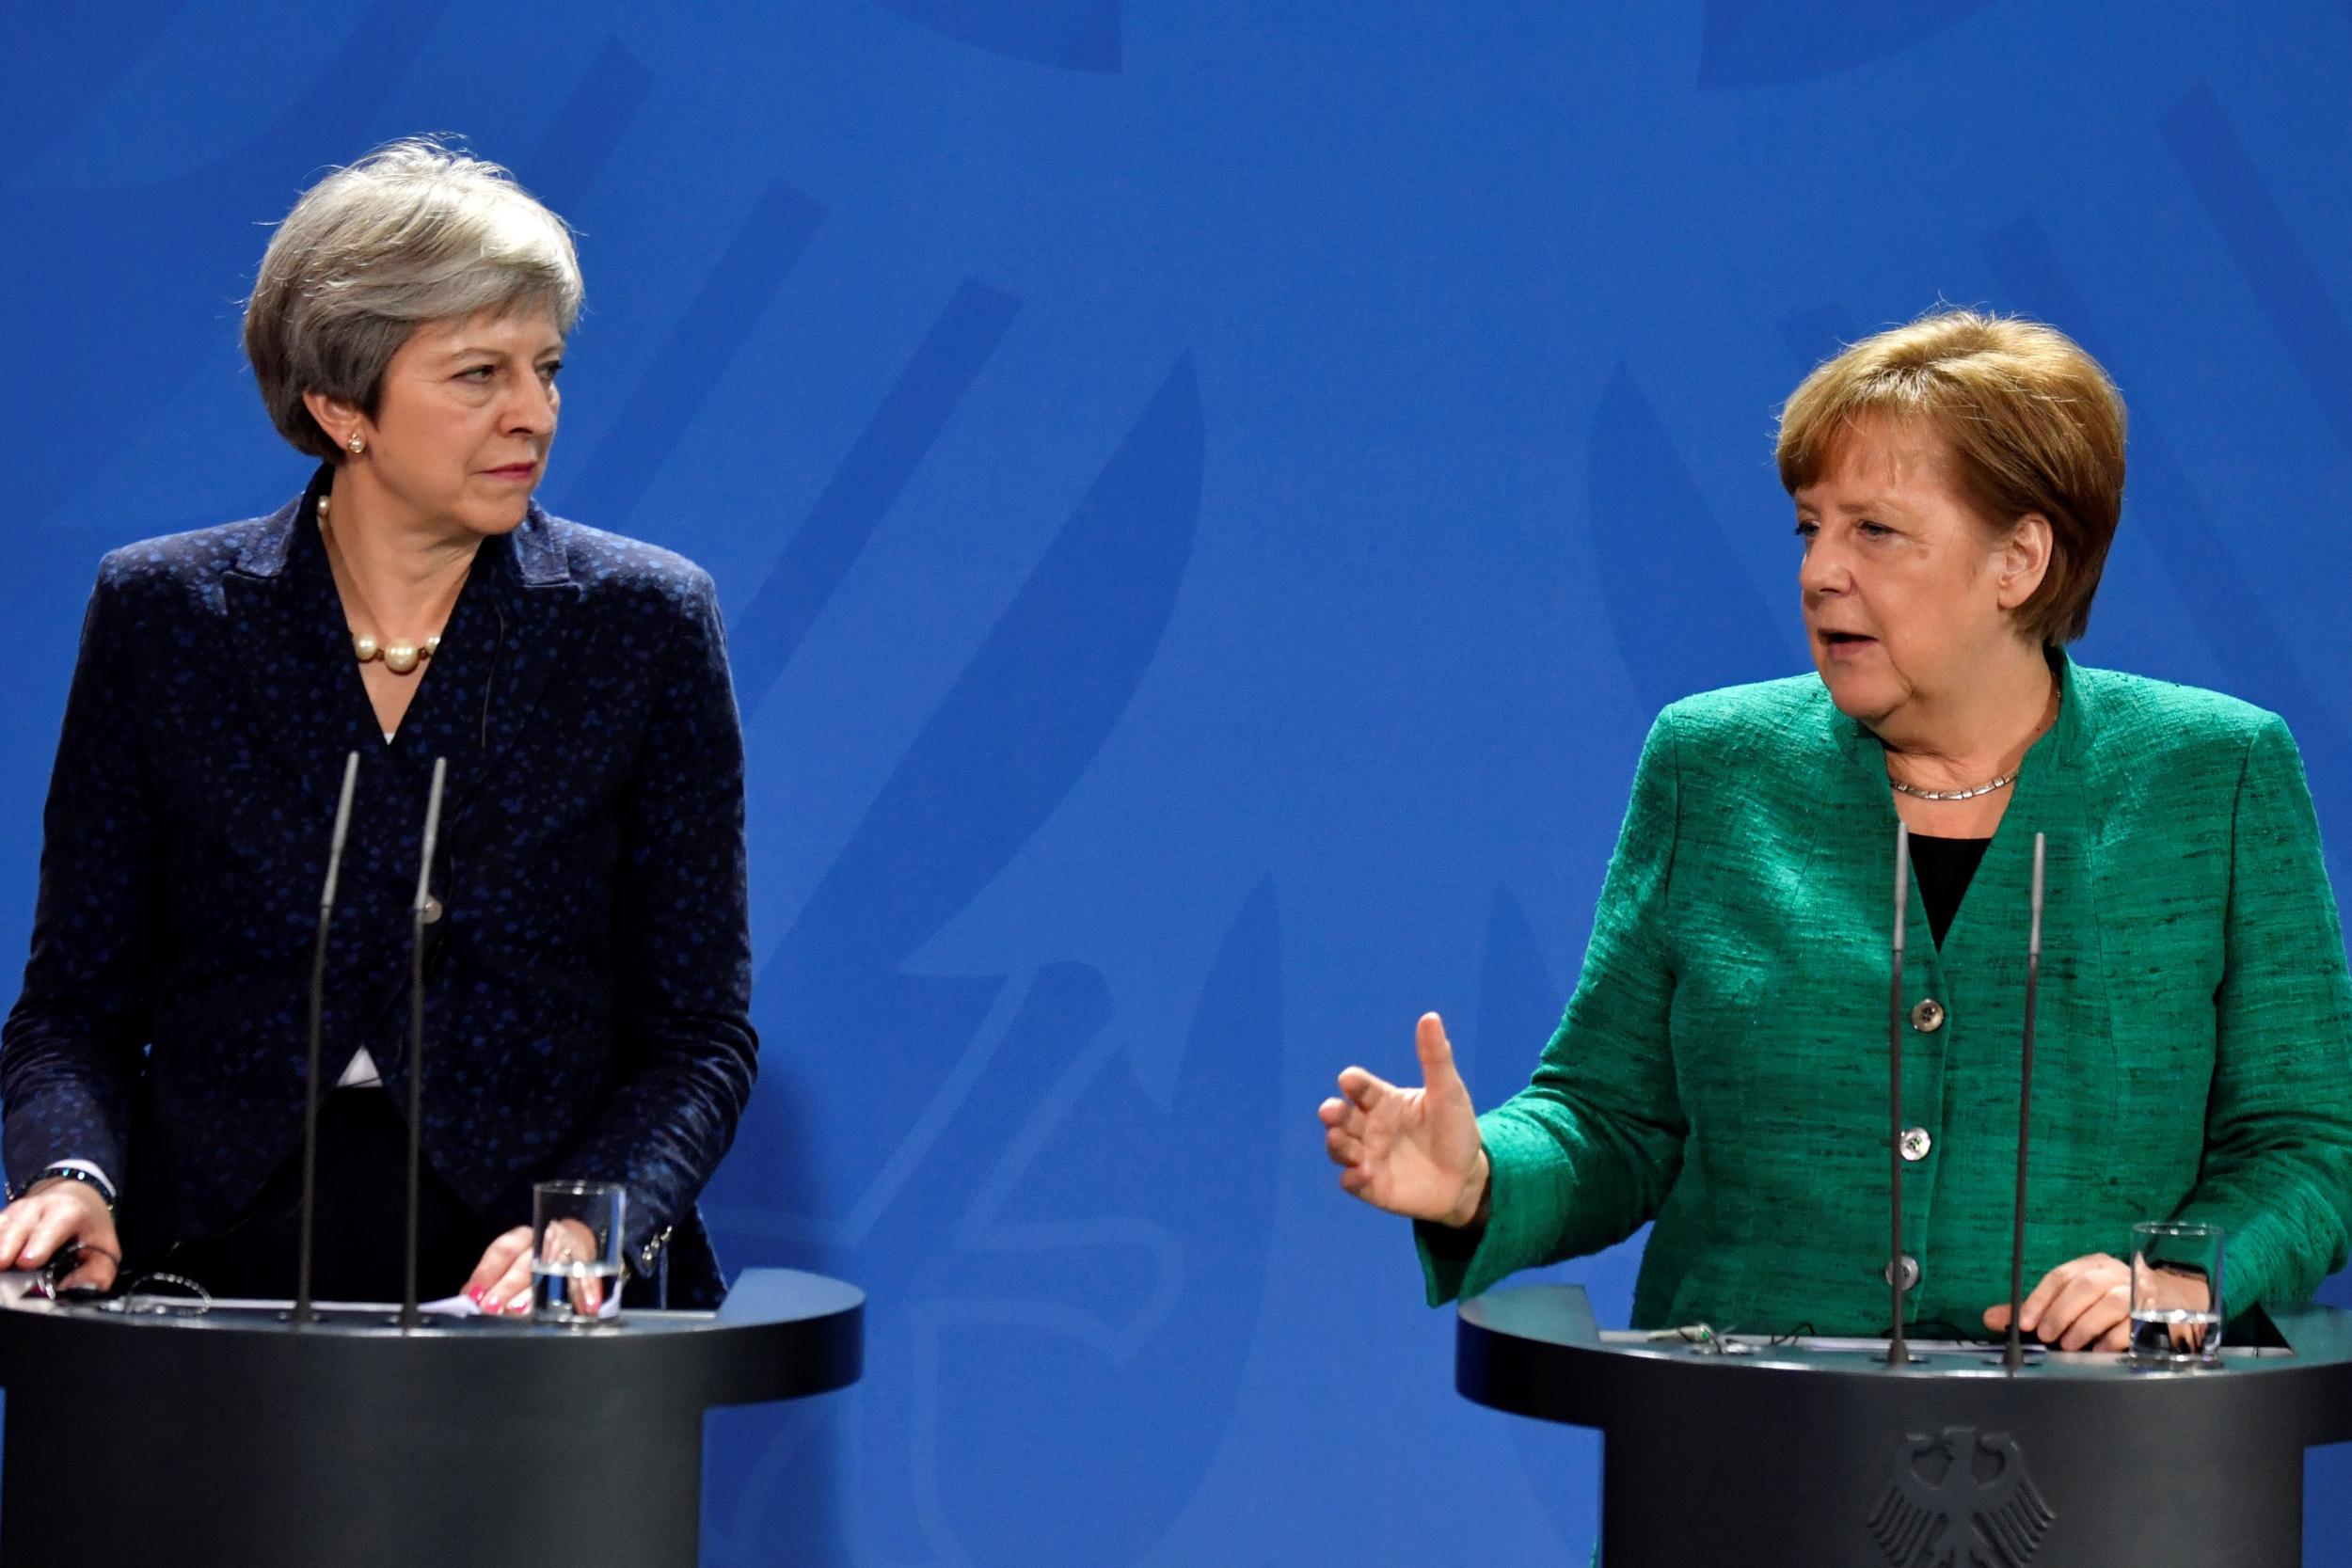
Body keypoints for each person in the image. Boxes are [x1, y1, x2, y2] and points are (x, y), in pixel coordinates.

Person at [1322, 310, 2352, 1349]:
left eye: (1874, 530)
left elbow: (2308, 1147)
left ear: (2019, 559)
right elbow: (1611, 1118)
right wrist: (1478, 1177)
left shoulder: (2213, 776)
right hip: (1743, 1458)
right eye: (1810, 526)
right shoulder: (1712, 763)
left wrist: (2178, 1272)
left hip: (2101, 1471)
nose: (1820, 572)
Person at [0, 138, 756, 1310]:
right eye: (478, 375)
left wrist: (595, 1218)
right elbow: (74, 1006)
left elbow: (700, 1034)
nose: (534, 414)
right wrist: (71, 1170)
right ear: (341, 403)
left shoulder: (641, 625)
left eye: (546, 368)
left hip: (529, 1290)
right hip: (203, 1283)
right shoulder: (166, 617)